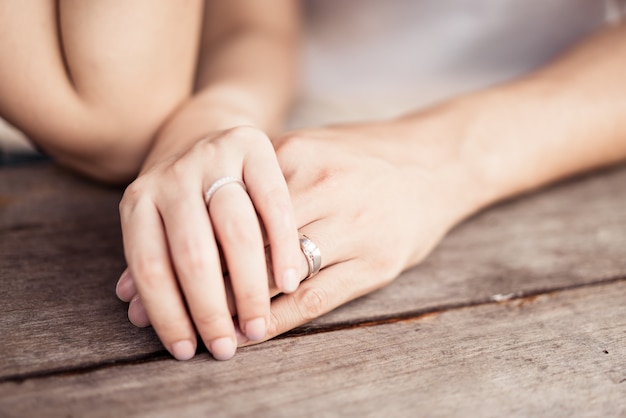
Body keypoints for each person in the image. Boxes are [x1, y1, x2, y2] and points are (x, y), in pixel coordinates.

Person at [1, 1, 625, 361]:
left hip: (568, 138)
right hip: (295, 126)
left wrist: (434, 160)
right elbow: (256, 19)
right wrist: (219, 117)